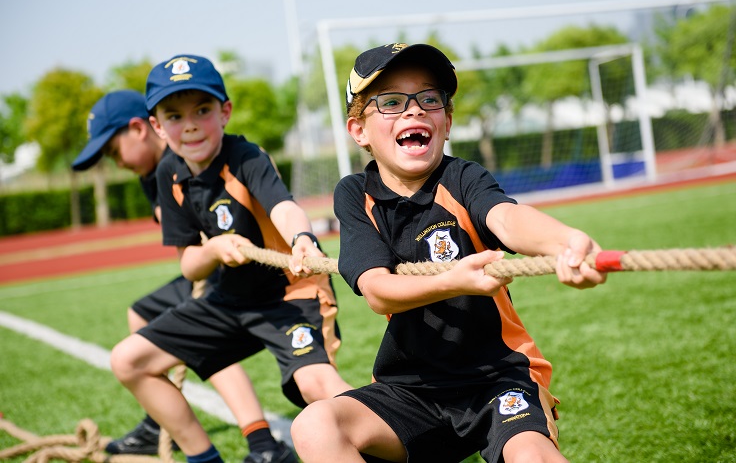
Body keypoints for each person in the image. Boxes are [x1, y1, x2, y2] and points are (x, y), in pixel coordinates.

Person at [290, 43, 609, 463]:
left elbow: (507, 219)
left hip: (498, 380)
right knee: (315, 425)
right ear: (359, 130)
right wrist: (453, 281)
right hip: (410, 388)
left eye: (429, 99)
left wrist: (565, 240)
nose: (414, 111)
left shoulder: (462, 177)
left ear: (447, 120)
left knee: (533, 456)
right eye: (390, 102)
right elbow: (378, 291)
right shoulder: (355, 194)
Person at [109, 54, 353, 463]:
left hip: (288, 296)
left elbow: (285, 207)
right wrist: (212, 250)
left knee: (314, 384)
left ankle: (394, 429)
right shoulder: (169, 172)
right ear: (156, 126)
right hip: (227, 300)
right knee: (129, 360)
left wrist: (303, 240)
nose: (189, 125)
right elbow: (188, 263)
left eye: (202, 111)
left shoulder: (246, 157)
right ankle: (205, 458)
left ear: (225, 112)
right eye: (174, 115)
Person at [72, 90, 295, 462]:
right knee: (141, 313)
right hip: (211, 268)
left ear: (141, 129)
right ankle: (159, 421)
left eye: (114, 151)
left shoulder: (186, 158)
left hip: (249, 277)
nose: (116, 163)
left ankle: (261, 442)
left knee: (200, 331)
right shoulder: (155, 173)